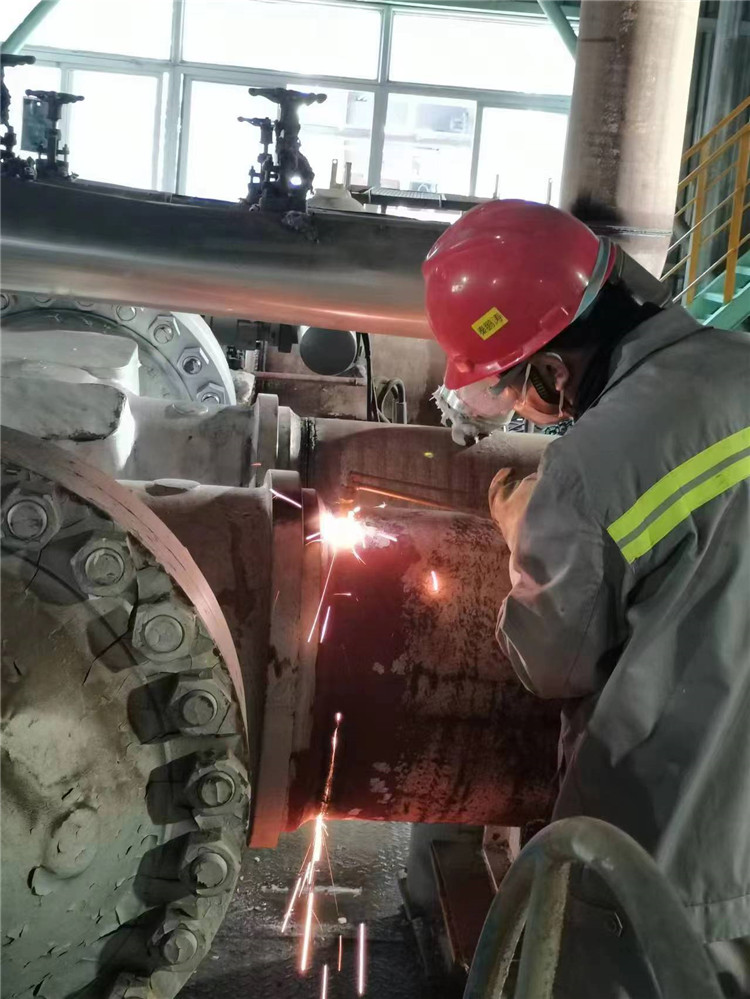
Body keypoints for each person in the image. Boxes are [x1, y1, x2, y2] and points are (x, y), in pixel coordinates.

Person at [422, 199, 750, 997]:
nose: (526, 408)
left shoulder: (590, 466)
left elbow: (551, 661)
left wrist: (524, 533)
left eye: (516, 390)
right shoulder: (739, 360)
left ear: (553, 371)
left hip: (678, 850)